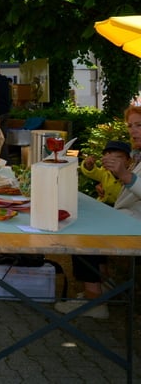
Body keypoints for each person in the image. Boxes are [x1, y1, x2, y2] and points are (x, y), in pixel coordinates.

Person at [55, 129, 140, 319]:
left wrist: (124, 176)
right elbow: (96, 174)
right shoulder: (135, 159)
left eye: (139, 125)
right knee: (84, 226)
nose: (133, 130)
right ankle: (103, 284)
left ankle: (94, 301)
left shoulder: (131, 164)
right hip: (124, 218)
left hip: (133, 225)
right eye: (131, 125)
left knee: (82, 237)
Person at [80, 140, 131, 205]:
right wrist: (88, 166)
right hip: (103, 204)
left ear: (129, 161)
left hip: (123, 206)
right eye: (110, 158)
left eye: (118, 158)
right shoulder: (105, 172)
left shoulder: (132, 174)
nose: (114, 161)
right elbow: (93, 173)